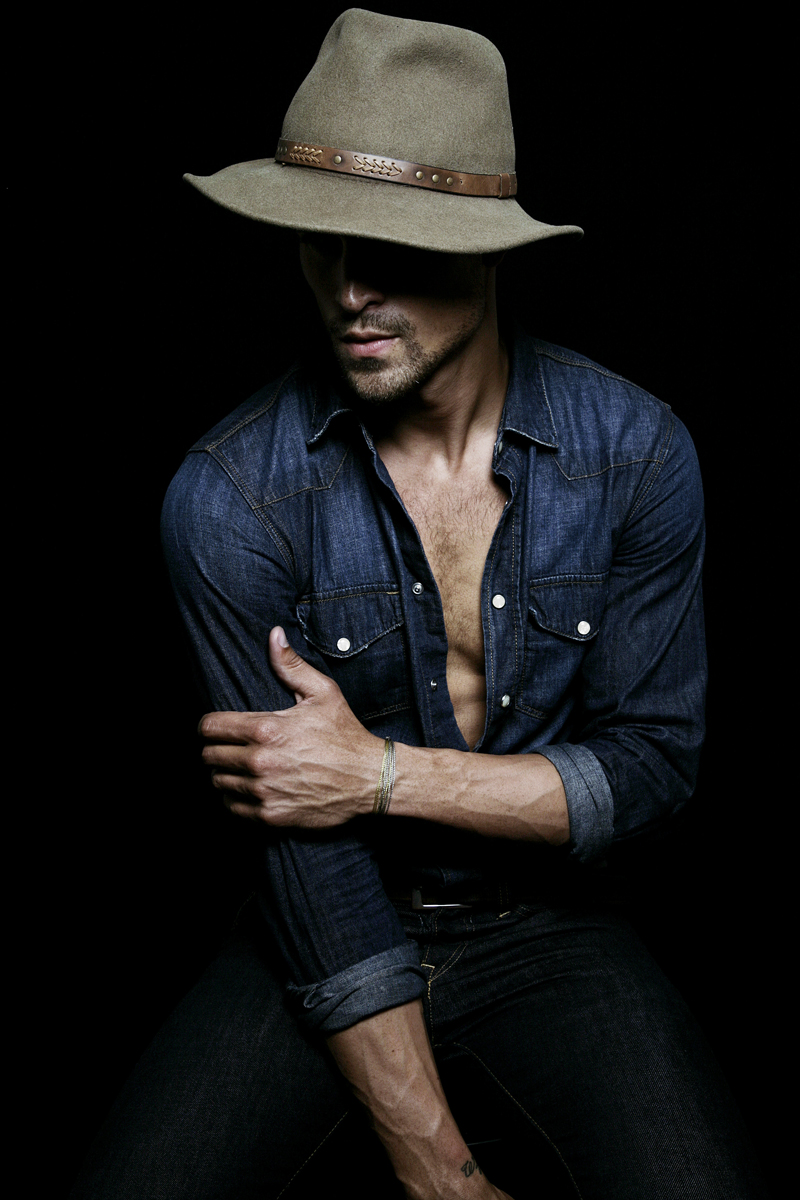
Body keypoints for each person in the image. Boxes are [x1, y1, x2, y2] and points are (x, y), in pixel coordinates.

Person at [73, 9, 768, 1199]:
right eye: (322, 243)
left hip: (554, 925)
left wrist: (382, 776)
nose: (350, 290)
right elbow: (305, 852)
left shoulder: (634, 452)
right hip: (315, 911)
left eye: (394, 248)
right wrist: (441, 1171)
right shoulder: (230, 495)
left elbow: (652, 769)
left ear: (487, 251)